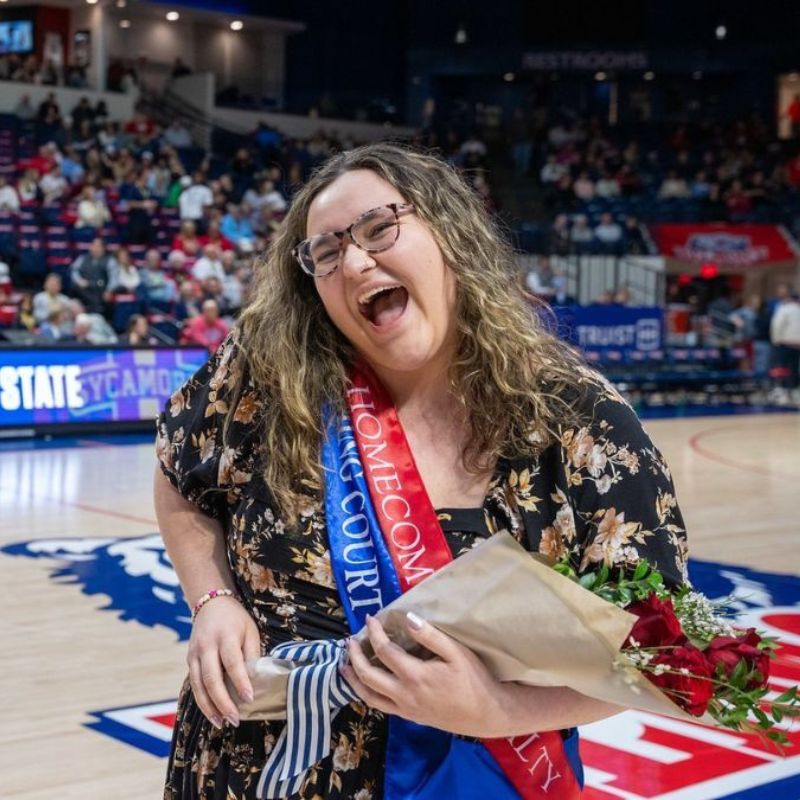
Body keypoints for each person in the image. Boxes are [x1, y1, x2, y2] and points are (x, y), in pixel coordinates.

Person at [154, 144, 688, 799]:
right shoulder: (267, 375)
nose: (353, 261)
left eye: (379, 228)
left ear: (450, 233)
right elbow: (178, 478)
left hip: (477, 777)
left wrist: (498, 712)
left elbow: (667, 660)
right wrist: (212, 600)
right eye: (325, 252)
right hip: (248, 770)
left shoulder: (580, 420)